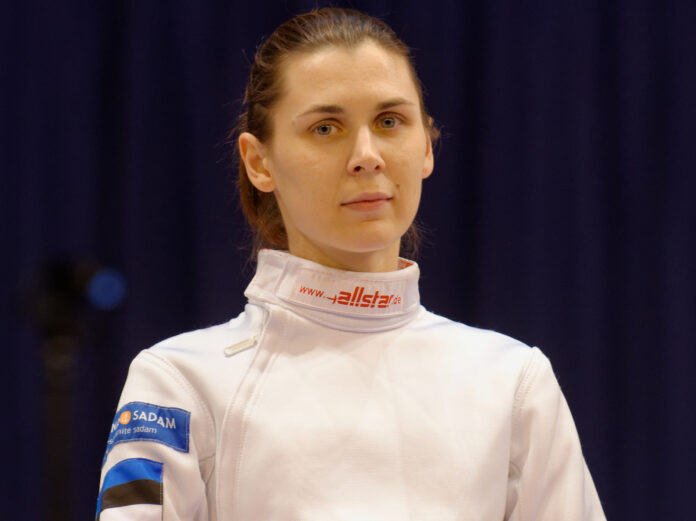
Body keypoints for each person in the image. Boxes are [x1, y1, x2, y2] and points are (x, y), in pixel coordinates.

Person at [96, 7, 606, 521]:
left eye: (389, 122)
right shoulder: (180, 383)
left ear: (426, 146)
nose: (367, 155)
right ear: (258, 162)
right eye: (326, 128)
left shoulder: (513, 382)